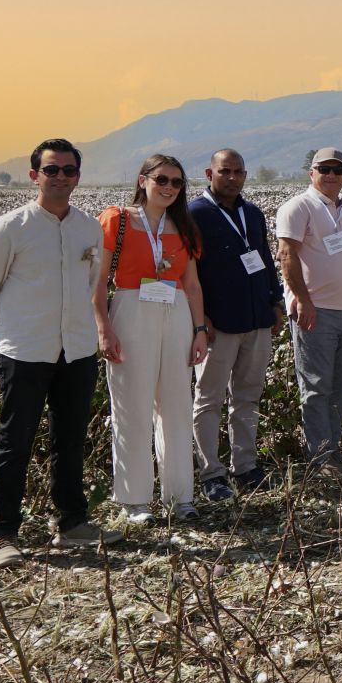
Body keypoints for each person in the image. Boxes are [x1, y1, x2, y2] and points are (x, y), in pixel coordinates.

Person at [0, 139, 122, 567]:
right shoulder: (11, 227)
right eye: (52, 170)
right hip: (25, 351)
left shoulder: (89, 227)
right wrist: (3, 336)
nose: (61, 178)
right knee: (14, 441)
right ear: (34, 175)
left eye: (69, 171)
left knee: (70, 440)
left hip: (76, 349)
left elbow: (93, 284)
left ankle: (72, 524)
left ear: (78, 177)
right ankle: (3, 535)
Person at [94, 154, 209, 522]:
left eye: (177, 182)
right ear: (143, 180)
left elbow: (191, 285)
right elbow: (96, 283)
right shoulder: (117, 220)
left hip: (175, 311)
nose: (169, 188)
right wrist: (103, 328)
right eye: (162, 179)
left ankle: (180, 496)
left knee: (177, 405)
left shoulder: (185, 227)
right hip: (130, 308)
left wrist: (199, 331)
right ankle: (134, 499)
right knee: (131, 406)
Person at [189, 148, 285, 500]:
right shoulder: (194, 214)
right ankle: (211, 473)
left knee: (247, 397)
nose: (232, 177)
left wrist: (275, 301)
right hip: (219, 324)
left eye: (238, 172)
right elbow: (189, 273)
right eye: (225, 171)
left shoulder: (252, 213)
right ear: (209, 173)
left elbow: (265, 259)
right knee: (208, 398)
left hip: (256, 318)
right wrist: (200, 320)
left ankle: (246, 467)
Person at [276, 148, 342, 470]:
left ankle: (334, 449)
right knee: (316, 386)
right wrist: (302, 300)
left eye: (337, 169)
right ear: (311, 172)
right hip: (316, 311)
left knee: (340, 385)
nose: (331, 175)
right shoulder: (297, 207)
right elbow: (287, 255)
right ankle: (321, 454)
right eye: (324, 169)